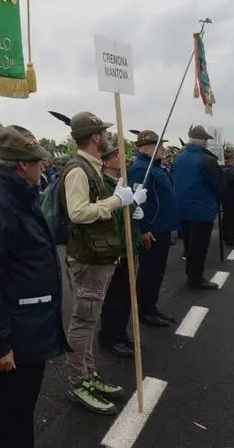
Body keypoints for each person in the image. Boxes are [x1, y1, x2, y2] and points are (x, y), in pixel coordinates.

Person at [0, 122, 66, 447]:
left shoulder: (20, 198)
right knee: (5, 421)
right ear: (22, 164)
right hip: (14, 338)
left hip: (29, 330)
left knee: (20, 415)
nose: (43, 166)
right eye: (37, 161)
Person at [60, 112, 146, 416]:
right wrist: (115, 202)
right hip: (88, 258)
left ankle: (89, 374)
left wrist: (126, 202)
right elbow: (78, 212)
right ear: (95, 137)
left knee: (90, 319)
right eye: (103, 133)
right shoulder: (78, 170)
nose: (108, 137)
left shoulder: (90, 167)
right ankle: (77, 382)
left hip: (99, 256)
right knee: (83, 322)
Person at [127, 131, 180, 328]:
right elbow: (138, 203)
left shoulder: (156, 168)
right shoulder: (141, 169)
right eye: (157, 146)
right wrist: (144, 228)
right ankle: (145, 310)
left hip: (163, 226)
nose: (162, 149)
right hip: (152, 229)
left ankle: (151, 306)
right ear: (143, 149)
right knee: (149, 271)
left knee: (157, 271)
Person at [98, 144, 141, 357]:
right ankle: (109, 337)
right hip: (117, 247)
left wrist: (135, 207)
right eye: (116, 155)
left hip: (128, 245)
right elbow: (109, 216)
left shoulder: (119, 182)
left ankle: (120, 332)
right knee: (114, 296)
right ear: (105, 161)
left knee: (126, 295)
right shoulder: (104, 185)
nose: (122, 157)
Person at [173, 125, 225, 290]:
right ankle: (195, 278)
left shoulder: (179, 158)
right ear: (202, 141)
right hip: (201, 210)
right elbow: (218, 186)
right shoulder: (207, 160)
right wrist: (221, 198)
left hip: (183, 209)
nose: (207, 143)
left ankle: (191, 274)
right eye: (206, 140)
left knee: (189, 245)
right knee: (199, 246)